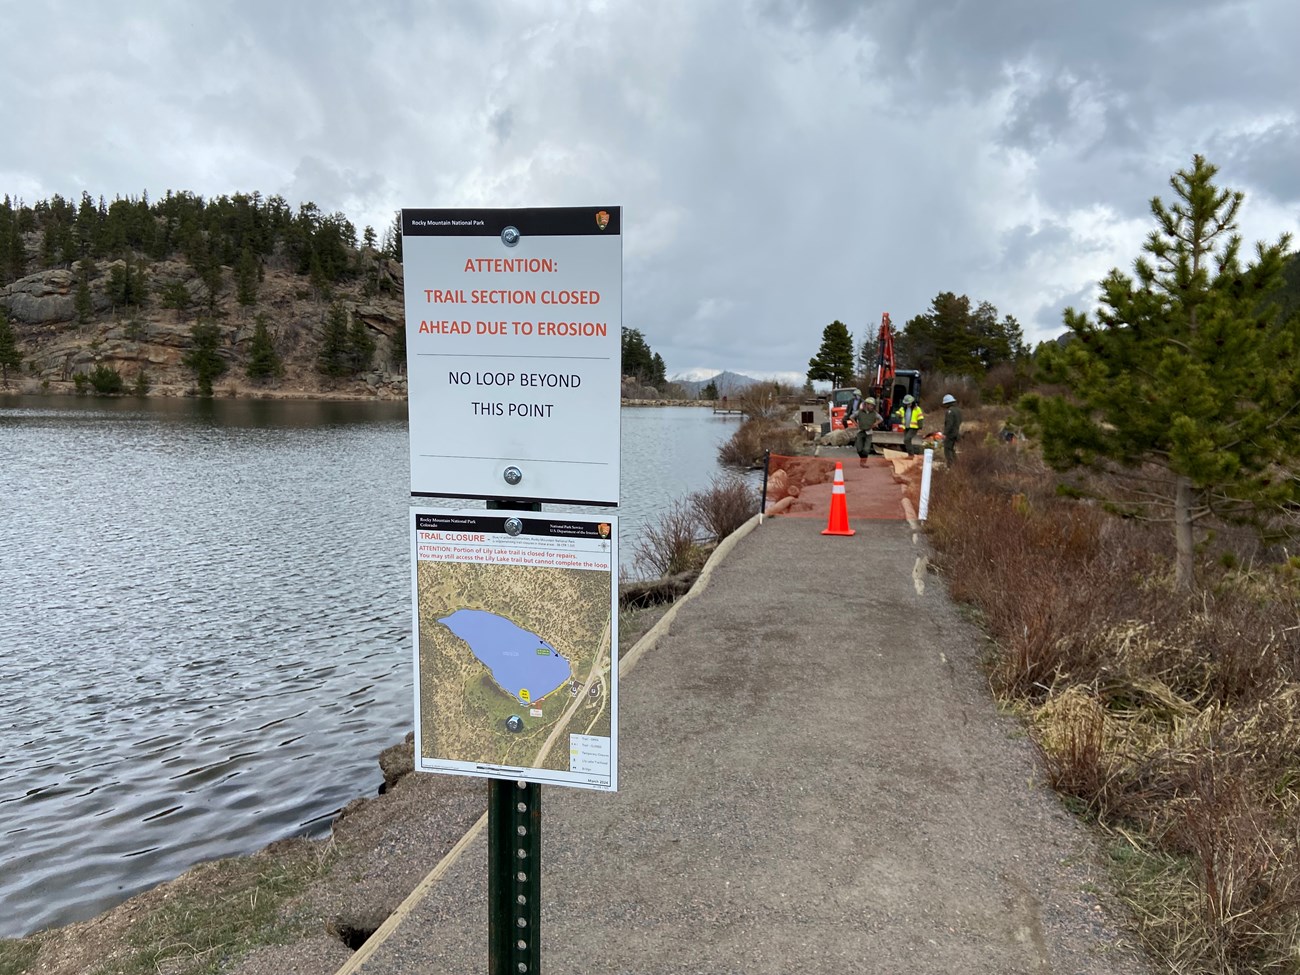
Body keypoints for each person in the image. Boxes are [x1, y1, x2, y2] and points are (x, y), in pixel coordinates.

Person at [851, 397, 883, 466]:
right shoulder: (859, 412)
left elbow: (881, 419)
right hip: (860, 431)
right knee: (859, 449)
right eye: (871, 405)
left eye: (873, 405)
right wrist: (856, 424)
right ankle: (862, 459)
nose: (872, 407)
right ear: (866, 404)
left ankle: (863, 462)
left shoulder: (874, 413)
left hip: (869, 432)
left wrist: (875, 424)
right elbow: (851, 417)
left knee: (866, 449)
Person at [942, 393, 962, 465]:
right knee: (952, 449)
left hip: (951, 434)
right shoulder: (959, 410)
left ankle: (950, 465)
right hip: (957, 432)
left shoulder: (950, 411)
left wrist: (945, 434)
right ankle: (957, 464)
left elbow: (949, 424)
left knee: (947, 449)